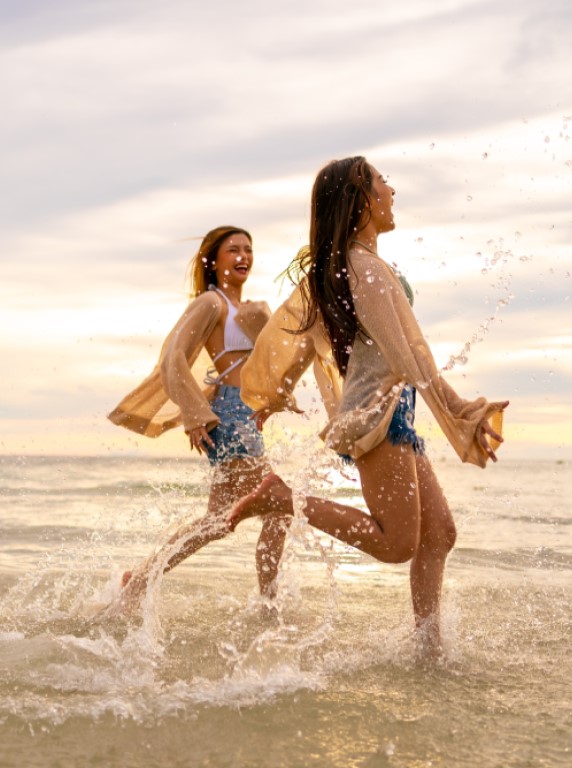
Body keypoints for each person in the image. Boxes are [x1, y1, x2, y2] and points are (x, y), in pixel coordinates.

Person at [230, 156, 507, 655]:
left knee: (439, 533)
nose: (392, 190)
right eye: (383, 182)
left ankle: (429, 648)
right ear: (361, 199)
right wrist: (460, 410)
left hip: (392, 410)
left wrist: (275, 394)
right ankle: (282, 498)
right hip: (376, 417)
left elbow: (311, 334)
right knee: (396, 542)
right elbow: (407, 354)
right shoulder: (365, 269)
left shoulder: (357, 267)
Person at [108, 226, 289, 607]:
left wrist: (273, 400)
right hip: (229, 416)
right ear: (214, 260)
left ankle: (140, 579)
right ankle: (268, 603)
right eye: (233, 251)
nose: (244, 257)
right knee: (278, 508)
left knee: (220, 519)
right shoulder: (212, 303)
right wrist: (194, 414)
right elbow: (173, 358)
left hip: (243, 414)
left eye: (248, 250)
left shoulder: (246, 308)